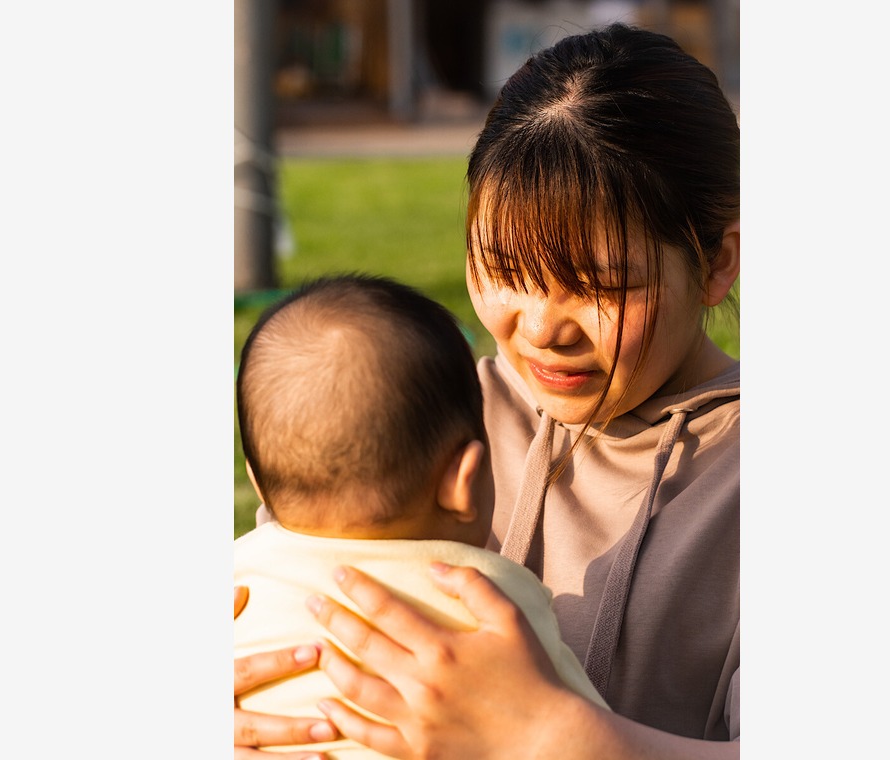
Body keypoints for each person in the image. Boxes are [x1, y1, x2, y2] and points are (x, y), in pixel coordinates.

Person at [235, 22, 741, 759]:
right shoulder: (423, 420)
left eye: (601, 286)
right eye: (503, 270)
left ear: (719, 260)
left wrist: (553, 737)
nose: (540, 329)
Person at [234, 274, 609, 757]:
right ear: (463, 479)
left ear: (256, 481)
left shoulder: (240, 575)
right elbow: (585, 733)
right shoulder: (494, 598)